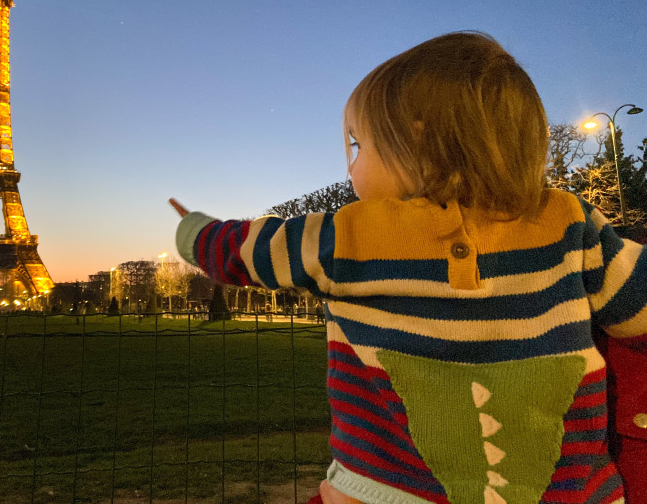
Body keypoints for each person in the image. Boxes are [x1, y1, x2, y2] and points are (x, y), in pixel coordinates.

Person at [170, 32, 646, 504]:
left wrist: (194, 232)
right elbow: (637, 304)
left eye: (358, 146)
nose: (351, 165)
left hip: (389, 486)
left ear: (416, 141)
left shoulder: (351, 234)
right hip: (568, 492)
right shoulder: (568, 220)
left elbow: (248, 250)